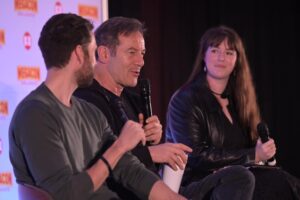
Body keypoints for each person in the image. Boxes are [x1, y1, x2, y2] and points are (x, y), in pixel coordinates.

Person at [74, 17, 256, 200]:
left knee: (240, 177)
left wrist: (153, 141)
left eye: (142, 53)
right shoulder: (86, 100)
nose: (141, 61)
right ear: (104, 54)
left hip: (157, 187)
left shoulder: (132, 99)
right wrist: (152, 153)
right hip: (124, 193)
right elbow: (100, 161)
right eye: (131, 52)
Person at [9, 13, 186, 200]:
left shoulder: (88, 112)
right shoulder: (35, 114)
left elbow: (130, 170)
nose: (95, 62)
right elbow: (64, 194)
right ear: (79, 54)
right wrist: (119, 147)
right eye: (92, 51)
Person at [166, 25, 300, 199]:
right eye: (215, 50)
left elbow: (248, 153)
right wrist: (253, 154)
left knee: (282, 181)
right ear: (203, 56)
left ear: (237, 60)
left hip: (241, 181)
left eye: (229, 52)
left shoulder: (240, 102)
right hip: (198, 184)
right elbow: (195, 157)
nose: (222, 57)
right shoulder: (185, 99)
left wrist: (262, 154)